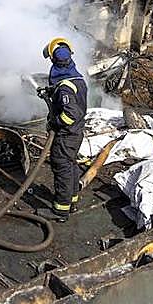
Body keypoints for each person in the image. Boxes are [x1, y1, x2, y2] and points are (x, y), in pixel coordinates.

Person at [40, 38, 89, 223]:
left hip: (67, 134)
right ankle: (72, 200)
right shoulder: (76, 78)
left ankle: (61, 210)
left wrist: (56, 123)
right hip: (76, 133)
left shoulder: (65, 88)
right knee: (71, 164)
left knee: (61, 166)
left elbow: (71, 114)